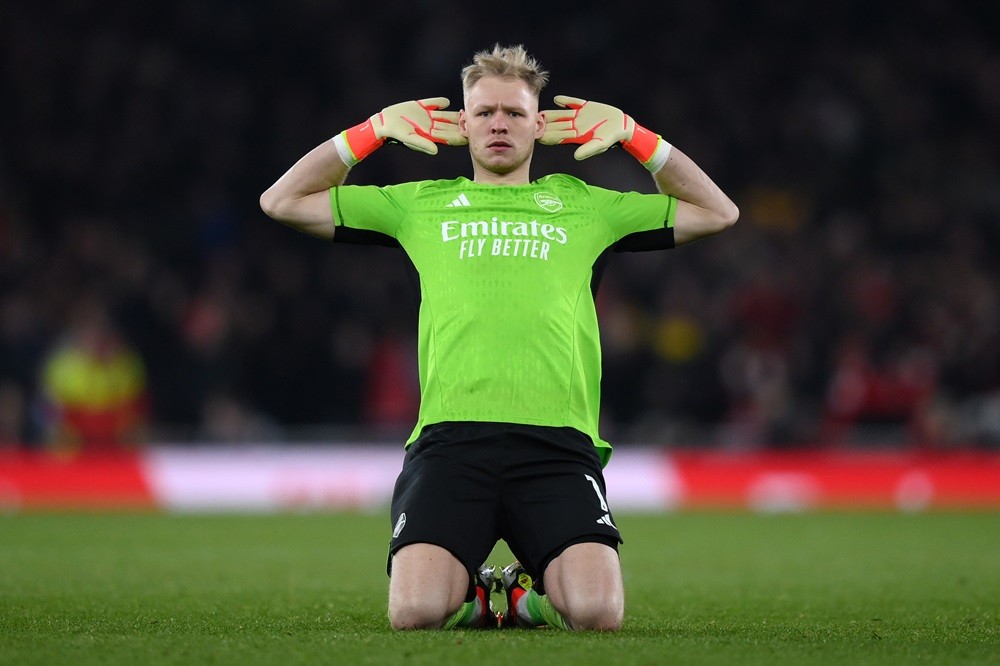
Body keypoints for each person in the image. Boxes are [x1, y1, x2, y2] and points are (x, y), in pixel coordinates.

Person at [260, 44, 738, 631]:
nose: (499, 124)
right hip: (451, 442)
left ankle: (521, 598)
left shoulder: (585, 205)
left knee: (597, 613)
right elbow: (280, 201)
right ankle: (480, 597)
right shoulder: (421, 205)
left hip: (557, 446)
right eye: (484, 112)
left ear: (540, 125)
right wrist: (373, 130)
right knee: (414, 612)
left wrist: (636, 137)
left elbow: (718, 213)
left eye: (514, 113)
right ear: (462, 124)